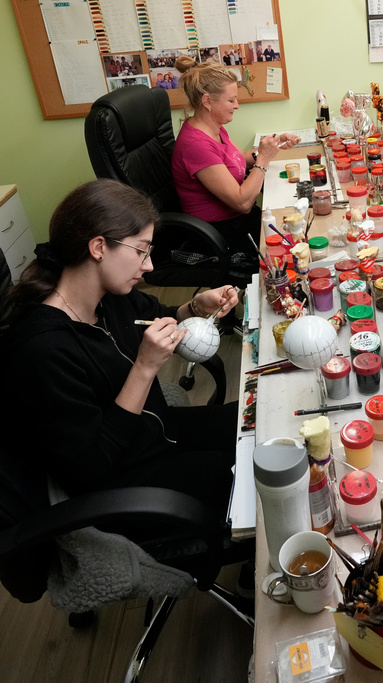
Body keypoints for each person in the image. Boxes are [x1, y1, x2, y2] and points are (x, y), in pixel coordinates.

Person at [0, 179, 242, 556]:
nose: (148, 267)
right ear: (98, 247)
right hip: (127, 486)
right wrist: (144, 368)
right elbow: (93, 465)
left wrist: (194, 308)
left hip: (156, 433)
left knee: (252, 422)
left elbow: (153, 317)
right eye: (141, 251)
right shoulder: (43, 349)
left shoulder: (107, 297)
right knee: (257, 470)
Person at [171, 57, 299, 253]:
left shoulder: (214, 127)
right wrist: (264, 158)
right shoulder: (196, 145)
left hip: (236, 223)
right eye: (231, 100)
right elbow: (243, 203)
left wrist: (274, 142)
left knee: (294, 219)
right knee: (294, 239)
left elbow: (241, 159)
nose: (237, 105)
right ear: (207, 101)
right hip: (220, 235)